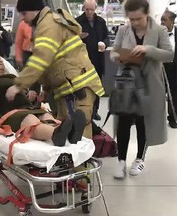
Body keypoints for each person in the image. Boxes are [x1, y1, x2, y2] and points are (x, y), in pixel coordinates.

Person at [6, 0, 104, 139]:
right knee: (67, 129)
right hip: (69, 88)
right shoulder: (49, 23)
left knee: (79, 132)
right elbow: (51, 62)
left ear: (34, 10)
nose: (23, 17)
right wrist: (46, 89)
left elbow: (41, 59)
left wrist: (19, 85)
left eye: (24, 13)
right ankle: (74, 160)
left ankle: (82, 161)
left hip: (77, 88)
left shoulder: (48, 25)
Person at [110, 0, 174, 179]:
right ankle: (121, 161)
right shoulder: (123, 30)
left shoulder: (159, 31)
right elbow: (114, 52)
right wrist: (121, 56)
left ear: (146, 14)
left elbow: (169, 55)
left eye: (138, 18)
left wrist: (148, 49)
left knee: (143, 123)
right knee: (123, 122)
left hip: (149, 84)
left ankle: (139, 158)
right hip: (127, 84)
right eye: (131, 19)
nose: (135, 23)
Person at [0, 53, 87, 147]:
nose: (0, 60)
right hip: (6, 113)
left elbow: (22, 93)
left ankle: (68, 133)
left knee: (45, 116)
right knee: (29, 118)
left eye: (0, 59)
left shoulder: (12, 78)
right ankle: (54, 135)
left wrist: (29, 93)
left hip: (28, 107)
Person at [76, 0, 110, 121]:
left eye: (91, 9)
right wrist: (78, 38)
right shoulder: (77, 22)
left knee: (97, 86)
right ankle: (85, 110)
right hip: (83, 61)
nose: (89, 12)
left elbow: (107, 37)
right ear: (83, 8)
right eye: (87, 9)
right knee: (85, 87)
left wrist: (104, 44)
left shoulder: (101, 22)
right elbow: (70, 39)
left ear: (95, 9)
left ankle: (95, 111)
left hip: (98, 60)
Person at [161, 10, 177, 129]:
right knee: (158, 95)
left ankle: (173, 118)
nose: (162, 22)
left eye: (164, 20)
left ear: (172, 21)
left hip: (174, 69)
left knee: (174, 94)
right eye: (161, 19)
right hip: (160, 69)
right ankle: (157, 120)